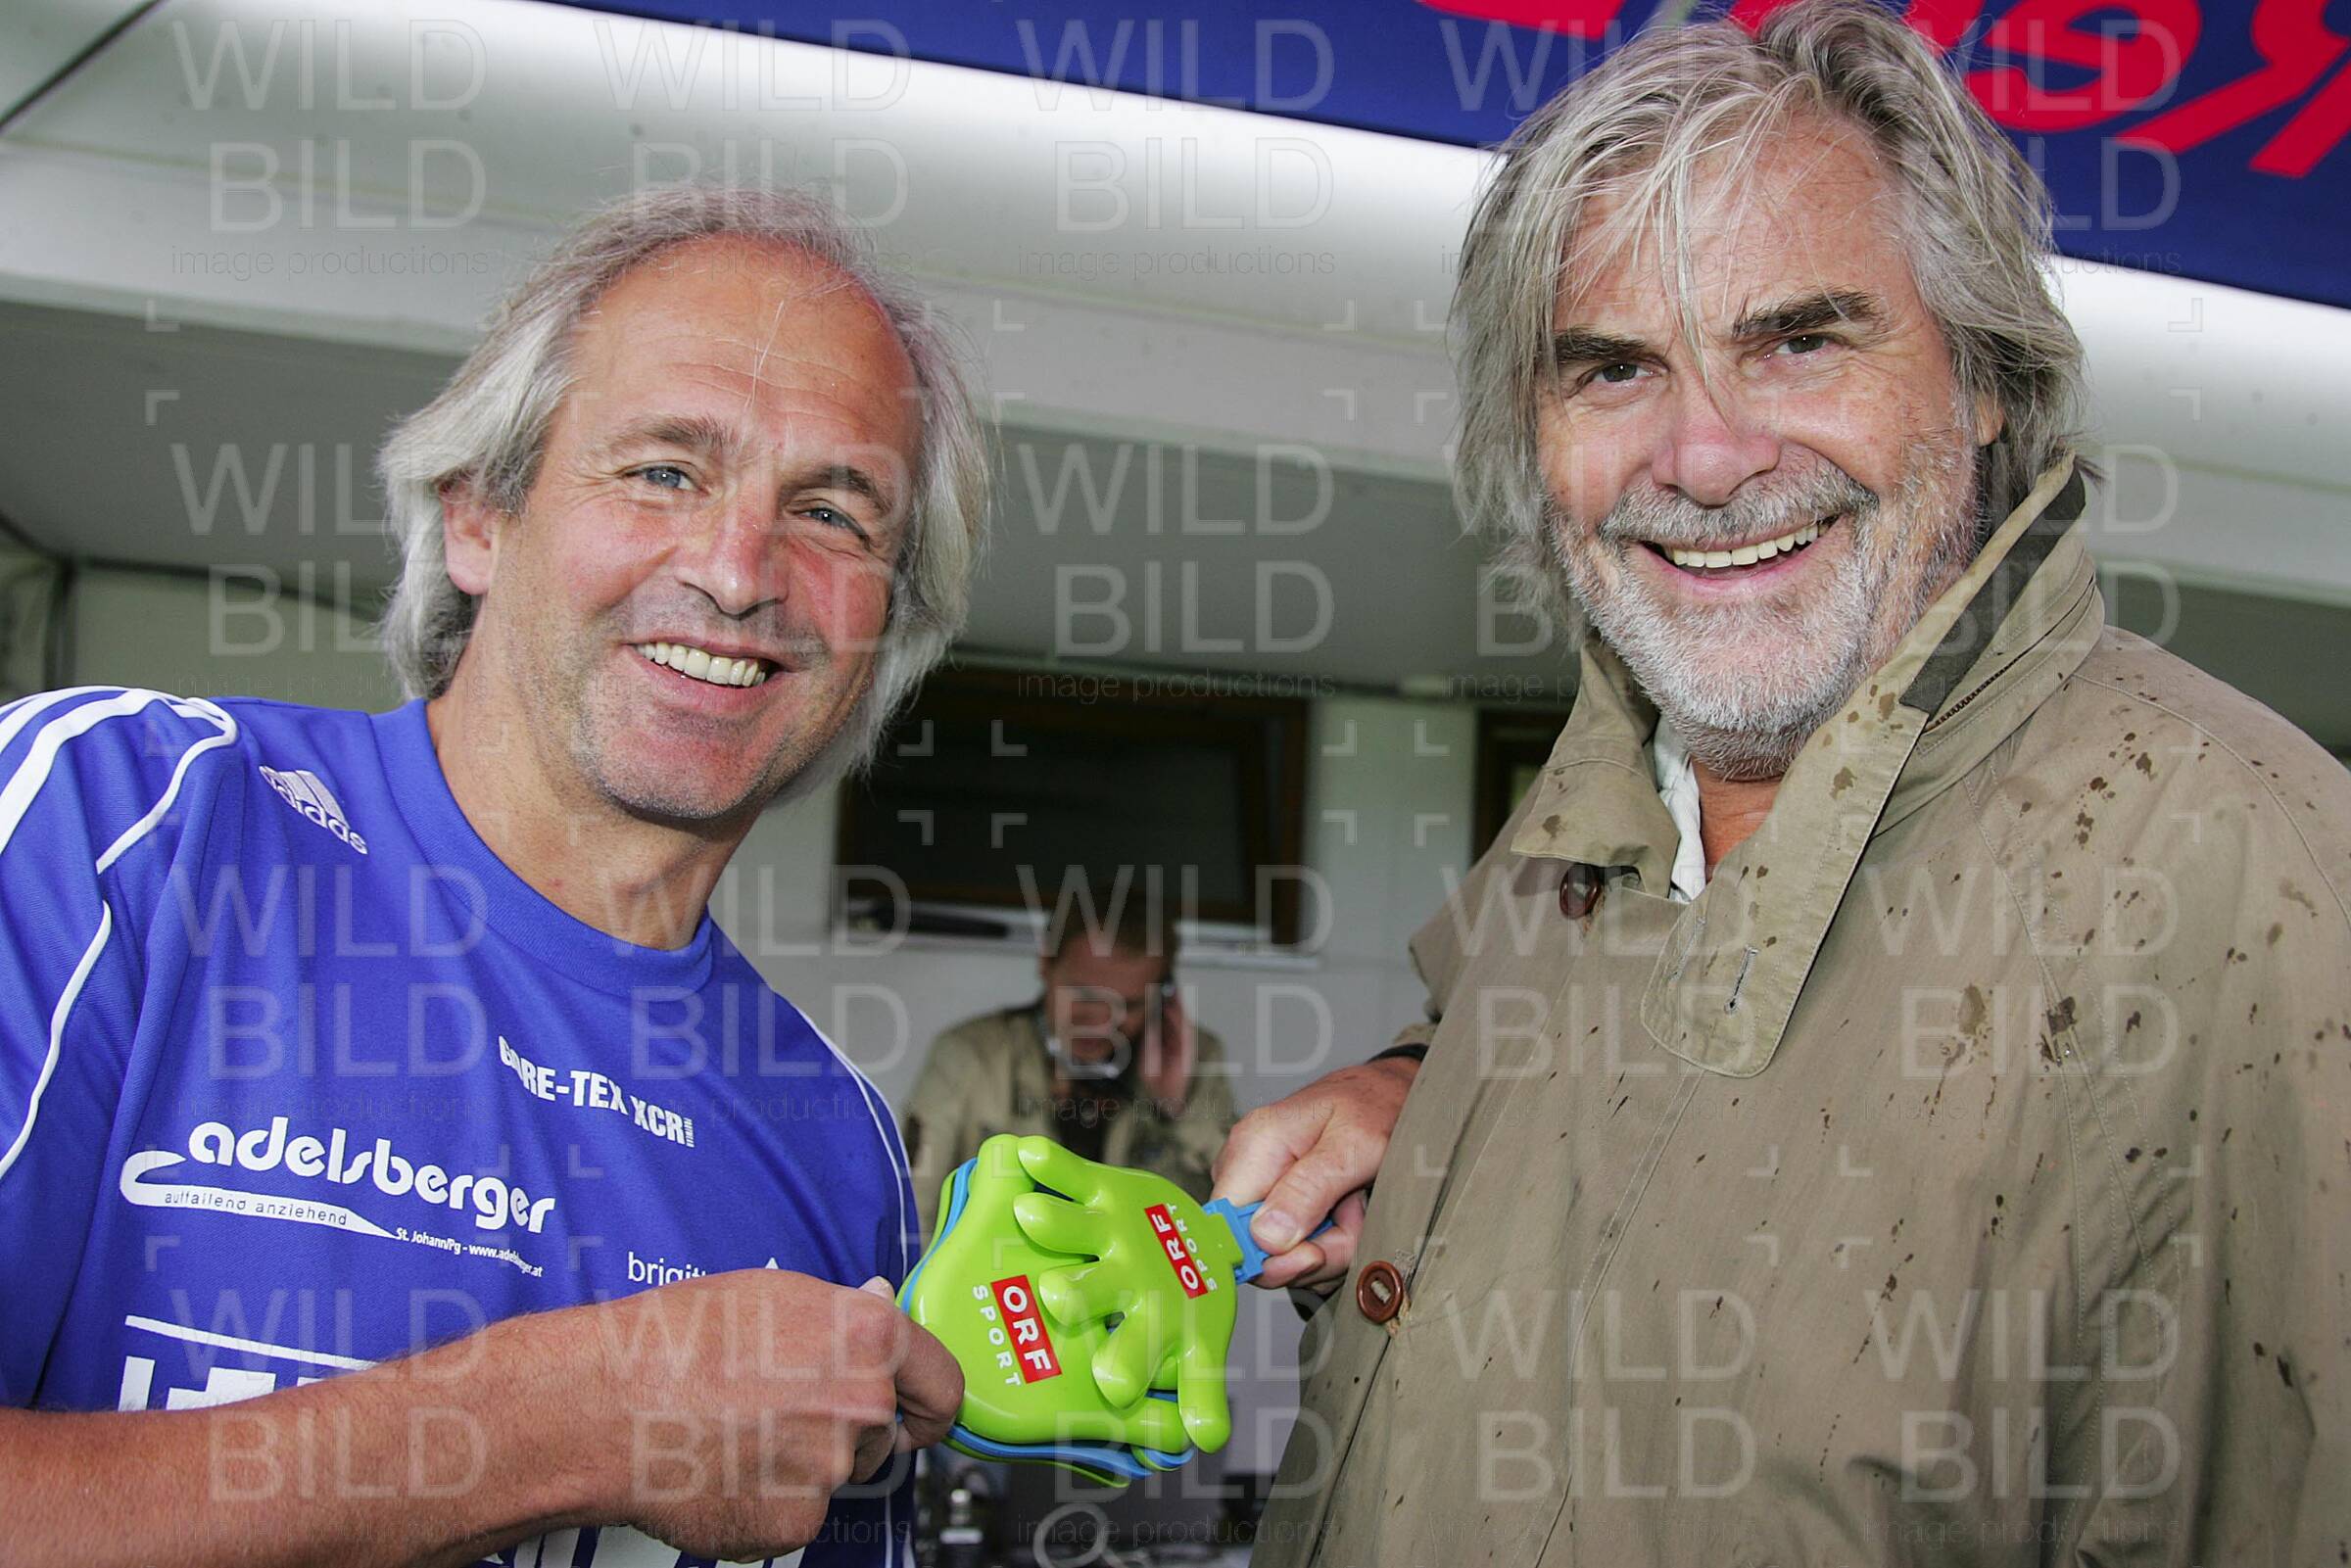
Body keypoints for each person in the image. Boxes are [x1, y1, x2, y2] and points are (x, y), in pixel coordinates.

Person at [1216, 6, 2350, 1563]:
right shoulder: (1594, 817)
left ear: (1984, 380)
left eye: (1800, 340)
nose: (1705, 456)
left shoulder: (2255, 891)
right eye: (1615, 367)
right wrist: (1428, 1098)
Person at [0, 184, 989, 1567]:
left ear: (887, 625)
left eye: (831, 511)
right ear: (478, 515)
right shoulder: (115, 821)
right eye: (664, 470)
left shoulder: (837, 1145)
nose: (736, 570)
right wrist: (577, 1416)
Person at [903, 901, 1234, 1235]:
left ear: (1163, 996)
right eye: (1085, 995)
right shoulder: (968, 1055)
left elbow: (1225, 1220)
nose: (1101, 1022)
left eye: (1129, 1004)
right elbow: (911, 1212)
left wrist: (1177, 1111)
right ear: (1045, 964)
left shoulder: (1194, 1058)